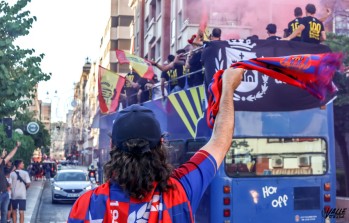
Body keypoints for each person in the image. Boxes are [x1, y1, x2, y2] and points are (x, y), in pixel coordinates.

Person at [67, 67, 243, 222]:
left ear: (113, 146)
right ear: (161, 144)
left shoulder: (87, 205)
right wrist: (228, 87)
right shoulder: (181, 189)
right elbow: (220, 140)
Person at [0, 142, 20, 223]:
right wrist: (2, 156)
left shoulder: (1, 165)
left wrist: (16, 147)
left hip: (4, 193)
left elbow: (10, 156)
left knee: (4, 212)